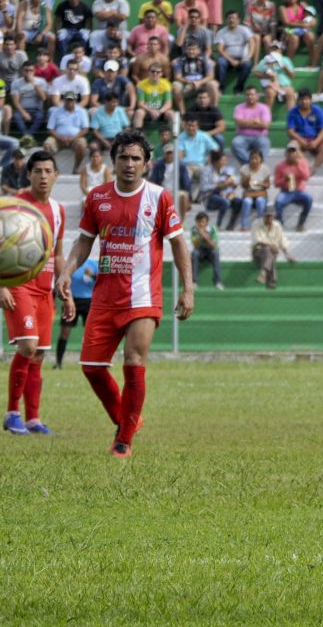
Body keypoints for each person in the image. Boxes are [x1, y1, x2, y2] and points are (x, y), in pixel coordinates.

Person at [57, 129, 194, 458]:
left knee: (133, 362)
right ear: (113, 161)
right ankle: (128, 420)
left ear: (147, 164)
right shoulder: (97, 197)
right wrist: (66, 271)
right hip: (104, 296)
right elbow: (84, 240)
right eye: (123, 158)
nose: (129, 164)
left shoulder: (159, 197)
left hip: (143, 297)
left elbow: (178, 243)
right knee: (91, 366)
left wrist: (188, 288)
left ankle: (124, 441)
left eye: (136, 158)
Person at [0, 150, 67, 435]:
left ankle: (32, 418)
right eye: (37, 171)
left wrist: (65, 287)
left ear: (56, 175)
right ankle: (12, 412)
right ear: (29, 175)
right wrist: (1, 284)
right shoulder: (16, 205)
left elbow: (58, 254)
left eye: (48, 171)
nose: (43, 176)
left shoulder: (59, 211)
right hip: (19, 285)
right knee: (27, 346)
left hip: (45, 289)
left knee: (38, 355)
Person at [54, 258, 96, 369]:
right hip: (71, 300)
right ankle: (58, 363)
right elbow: (60, 279)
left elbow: (101, 281)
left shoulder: (93, 264)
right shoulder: (69, 265)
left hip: (88, 301)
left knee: (92, 334)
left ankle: (94, 362)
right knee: (64, 333)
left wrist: (91, 275)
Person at [44, 90, 89, 172]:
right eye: (67, 100)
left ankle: (76, 168)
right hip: (58, 138)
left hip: (75, 138)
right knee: (47, 145)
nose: (69, 102)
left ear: (75, 100)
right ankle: (55, 168)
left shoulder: (82, 111)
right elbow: (50, 129)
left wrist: (72, 138)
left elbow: (85, 129)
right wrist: (60, 138)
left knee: (82, 145)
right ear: (63, 100)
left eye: (71, 100)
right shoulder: (56, 111)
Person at [251, 209, 296, 289]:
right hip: (258, 251)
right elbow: (257, 240)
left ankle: (264, 273)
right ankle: (271, 281)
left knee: (270, 253)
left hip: (272, 252)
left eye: (271, 216)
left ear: (274, 217)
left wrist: (288, 255)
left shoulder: (277, 225)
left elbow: (282, 240)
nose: (269, 218)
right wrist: (270, 245)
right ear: (263, 216)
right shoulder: (256, 224)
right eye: (267, 216)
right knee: (268, 250)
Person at [287, 89, 323, 171]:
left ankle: (313, 169)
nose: (304, 102)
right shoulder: (293, 112)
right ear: (298, 100)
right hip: (299, 139)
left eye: (306, 99)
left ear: (311, 100)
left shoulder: (318, 111)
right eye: (301, 99)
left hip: (315, 139)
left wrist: (316, 142)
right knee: (292, 145)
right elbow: (290, 131)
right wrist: (301, 140)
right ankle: (306, 167)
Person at [190, 212, 223, 290]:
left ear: (207, 222)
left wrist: (205, 236)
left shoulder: (212, 229)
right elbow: (195, 246)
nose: (201, 224)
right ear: (196, 222)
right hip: (200, 251)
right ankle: (194, 282)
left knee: (216, 253)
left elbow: (214, 245)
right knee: (194, 254)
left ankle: (217, 282)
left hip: (210, 251)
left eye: (203, 222)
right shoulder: (194, 230)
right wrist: (200, 236)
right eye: (199, 222)